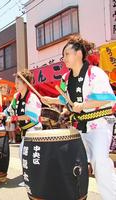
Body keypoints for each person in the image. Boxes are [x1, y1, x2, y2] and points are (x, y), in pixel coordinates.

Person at [41, 36, 116, 200]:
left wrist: (82, 105)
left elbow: (108, 98)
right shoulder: (65, 79)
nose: (64, 58)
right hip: (79, 127)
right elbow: (64, 99)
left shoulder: (94, 73)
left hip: (99, 125)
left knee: (100, 163)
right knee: (72, 163)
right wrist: (51, 100)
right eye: (63, 55)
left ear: (79, 54)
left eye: (67, 54)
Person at [3, 70, 42, 186]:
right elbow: (9, 110)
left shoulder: (32, 97)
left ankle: (31, 178)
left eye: (18, 83)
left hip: (34, 131)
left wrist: (13, 118)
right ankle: (30, 177)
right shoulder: (17, 97)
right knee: (23, 154)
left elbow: (31, 116)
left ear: (25, 84)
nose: (16, 85)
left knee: (27, 155)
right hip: (26, 132)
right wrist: (3, 114)